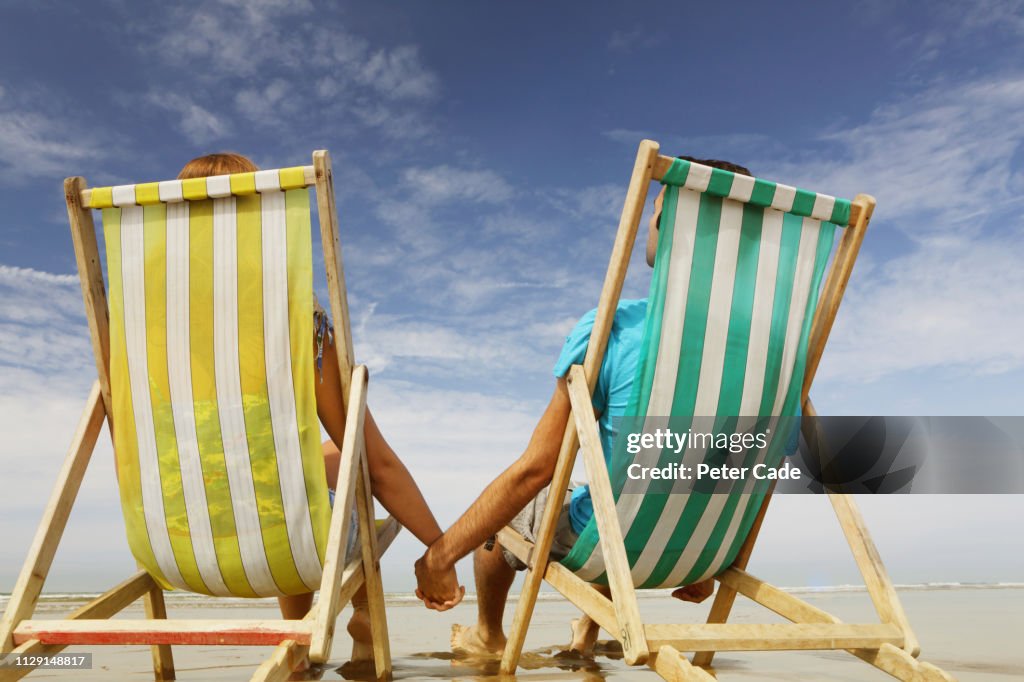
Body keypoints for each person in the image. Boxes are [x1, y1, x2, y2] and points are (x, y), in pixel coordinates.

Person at [413, 156, 753, 656]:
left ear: (669, 224)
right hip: (705, 550)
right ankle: (588, 631)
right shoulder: (778, 350)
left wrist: (438, 557)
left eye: (656, 212)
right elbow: (757, 460)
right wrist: (713, 555)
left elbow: (537, 469)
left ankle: (488, 635)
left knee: (513, 515)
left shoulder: (614, 330)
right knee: (622, 484)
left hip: (617, 546)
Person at [177, 153, 465, 660]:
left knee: (300, 465)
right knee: (347, 463)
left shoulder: (142, 330)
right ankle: (363, 621)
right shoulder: (296, 322)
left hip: (183, 537)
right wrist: (440, 553)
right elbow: (377, 463)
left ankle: (297, 638)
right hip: (285, 534)